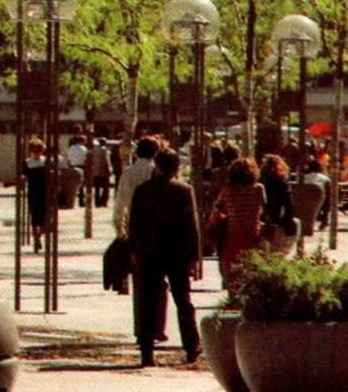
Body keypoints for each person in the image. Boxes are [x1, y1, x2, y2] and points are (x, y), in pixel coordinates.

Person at [126, 148, 201, 367]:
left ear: (157, 166)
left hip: (149, 252)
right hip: (176, 253)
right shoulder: (184, 190)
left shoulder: (142, 191)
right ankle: (191, 345)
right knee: (183, 300)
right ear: (177, 167)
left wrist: (133, 249)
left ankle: (147, 350)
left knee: (148, 301)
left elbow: (134, 224)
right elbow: (191, 226)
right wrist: (194, 256)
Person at [208, 157, 266, 294]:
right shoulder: (259, 189)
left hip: (233, 235)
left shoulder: (227, 191)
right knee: (253, 268)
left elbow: (216, 212)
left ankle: (234, 298)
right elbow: (263, 209)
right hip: (254, 234)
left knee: (233, 270)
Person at [112, 135, 158, 239]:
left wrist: (120, 230)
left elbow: (120, 202)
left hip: (132, 223)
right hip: (154, 225)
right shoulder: (155, 172)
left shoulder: (128, 173)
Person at [258, 153, 296, 246]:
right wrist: (285, 220)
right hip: (274, 217)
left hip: (260, 217)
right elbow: (289, 204)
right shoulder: (281, 183)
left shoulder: (259, 182)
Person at [22, 138, 51, 252]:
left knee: (46, 218)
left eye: (39, 151)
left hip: (45, 192)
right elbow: (23, 175)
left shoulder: (46, 161)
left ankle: (39, 235)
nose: (37, 153)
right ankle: (36, 238)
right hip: (33, 192)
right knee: (34, 217)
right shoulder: (26, 163)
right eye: (35, 151)